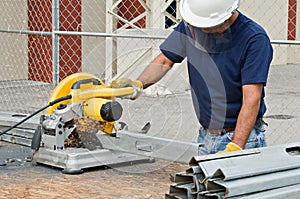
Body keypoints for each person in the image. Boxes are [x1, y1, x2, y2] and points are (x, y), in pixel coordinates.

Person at [111, 0, 273, 155]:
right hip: (206, 136)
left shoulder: (254, 39)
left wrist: (236, 146)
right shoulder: (193, 24)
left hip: (241, 137)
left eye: (202, 28)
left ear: (222, 23)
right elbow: (166, 60)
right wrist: (138, 84)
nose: (194, 30)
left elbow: (251, 99)